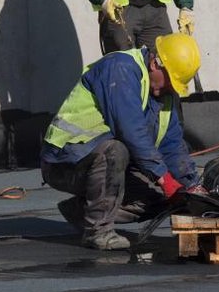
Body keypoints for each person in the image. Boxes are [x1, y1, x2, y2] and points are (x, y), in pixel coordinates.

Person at [40, 32, 206, 250]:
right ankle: (97, 231)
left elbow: (172, 146)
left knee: (161, 200)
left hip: (104, 164)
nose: (170, 89)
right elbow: (131, 130)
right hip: (67, 161)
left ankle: (83, 212)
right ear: (156, 63)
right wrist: (164, 178)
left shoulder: (163, 96)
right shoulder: (120, 68)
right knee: (116, 151)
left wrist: (191, 186)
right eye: (169, 82)